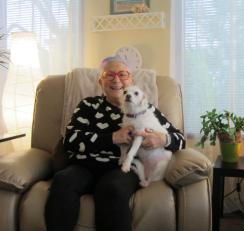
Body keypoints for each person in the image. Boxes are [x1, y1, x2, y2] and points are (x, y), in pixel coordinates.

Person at [44, 56, 186, 231]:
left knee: (112, 189)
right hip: (84, 166)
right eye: (109, 75)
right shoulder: (88, 105)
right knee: (63, 180)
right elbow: (71, 140)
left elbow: (180, 139)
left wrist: (162, 139)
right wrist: (112, 138)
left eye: (122, 74)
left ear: (131, 80)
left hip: (122, 168)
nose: (116, 79)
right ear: (100, 81)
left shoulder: (147, 110)